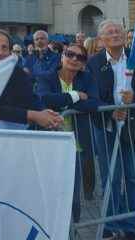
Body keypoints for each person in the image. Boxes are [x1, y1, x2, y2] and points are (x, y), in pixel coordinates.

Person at [87, 20, 135, 239]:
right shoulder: (94, 63)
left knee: (133, 178)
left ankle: (129, 227)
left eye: (118, 30)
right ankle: (110, 224)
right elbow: (91, 97)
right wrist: (110, 110)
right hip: (107, 129)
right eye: (110, 32)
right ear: (101, 39)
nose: (115, 33)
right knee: (111, 178)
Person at [34, 43, 100, 223]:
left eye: (80, 57)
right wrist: (76, 96)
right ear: (62, 56)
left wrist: (61, 102)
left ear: (84, 63)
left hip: (76, 145)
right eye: (70, 54)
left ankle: (73, 229)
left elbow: (94, 103)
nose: (74, 59)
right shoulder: (46, 77)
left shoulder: (87, 78)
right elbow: (44, 99)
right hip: (50, 143)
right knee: (49, 191)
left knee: (72, 194)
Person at [0, 30, 63, 130]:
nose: (0, 52)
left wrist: (46, 113)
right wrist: (33, 115)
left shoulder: (17, 71)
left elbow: (31, 98)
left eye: (4, 48)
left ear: (9, 52)